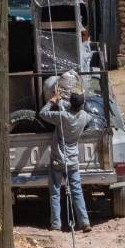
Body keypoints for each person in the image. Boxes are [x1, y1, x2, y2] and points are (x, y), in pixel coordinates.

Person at [37, 90, 93, 232]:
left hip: (58, 159)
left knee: (55, 192)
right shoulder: (85, 117)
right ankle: (84, 222)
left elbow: (42, 113)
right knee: (77, 191)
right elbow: (89, 120)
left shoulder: (62, 117)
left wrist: (54, 100)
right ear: (81, 105)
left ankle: (56, 224)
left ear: (71, 104)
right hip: (73, 160)